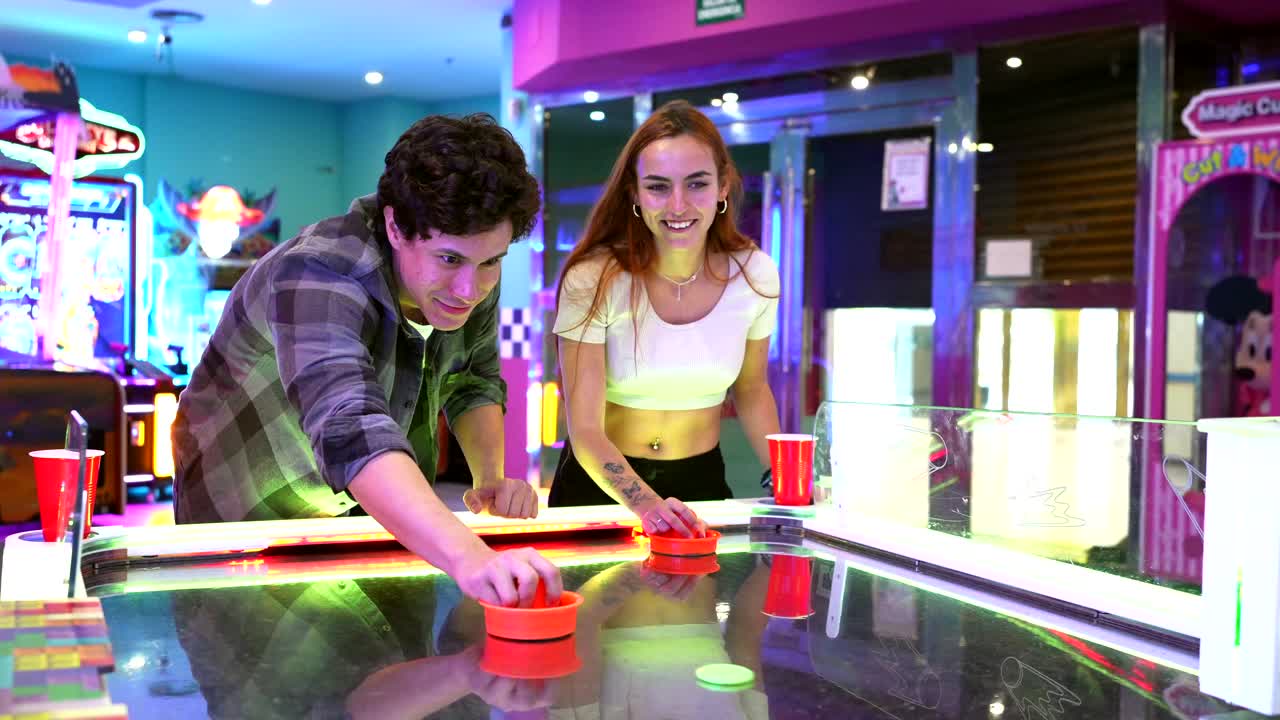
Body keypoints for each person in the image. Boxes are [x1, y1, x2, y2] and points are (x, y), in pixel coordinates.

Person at [172, 114, 561, 607]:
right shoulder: (317, 271)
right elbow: (349, 424)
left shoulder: (470, 273)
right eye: (449, 259)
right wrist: (470, 556)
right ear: (396, 226)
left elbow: (473, 379)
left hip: (376, 511)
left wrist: (489, 481)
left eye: (491, 261)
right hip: (247, 525)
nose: (470, 288)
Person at [551, 100, 782, 537]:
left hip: (702, 483)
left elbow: (752, 389)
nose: (678, 205)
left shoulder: (755, 274)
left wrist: (787, 479)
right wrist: (648, 506)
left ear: (723, 186)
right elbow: (584, 429)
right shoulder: (593, 278)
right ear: (634, 194)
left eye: (697, 184)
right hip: (601, 487)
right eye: (658, 187)